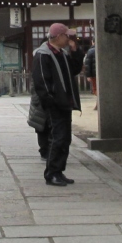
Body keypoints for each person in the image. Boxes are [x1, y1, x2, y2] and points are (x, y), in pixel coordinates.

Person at [30, 23, 82, 186]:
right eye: (67, 36)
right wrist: (51, 101)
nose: (69, 39)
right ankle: (51, 173)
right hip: (55, 104)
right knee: (57, 138)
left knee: (65, 138)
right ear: (59, 36)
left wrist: (76, 51)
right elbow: (41, 82)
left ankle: (59, 171)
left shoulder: (62, 53)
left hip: (65, 102)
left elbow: (74, 70)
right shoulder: (43, 55)